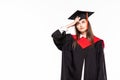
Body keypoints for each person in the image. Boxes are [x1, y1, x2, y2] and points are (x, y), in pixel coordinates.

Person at [51, 10, 107, 80]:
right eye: (77, 23)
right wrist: (71, 24)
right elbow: (56, 36)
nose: (80, 25)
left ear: (88, 23)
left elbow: (101, 67)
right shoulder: (70, 40)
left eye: (83, 22)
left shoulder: (97, 43)